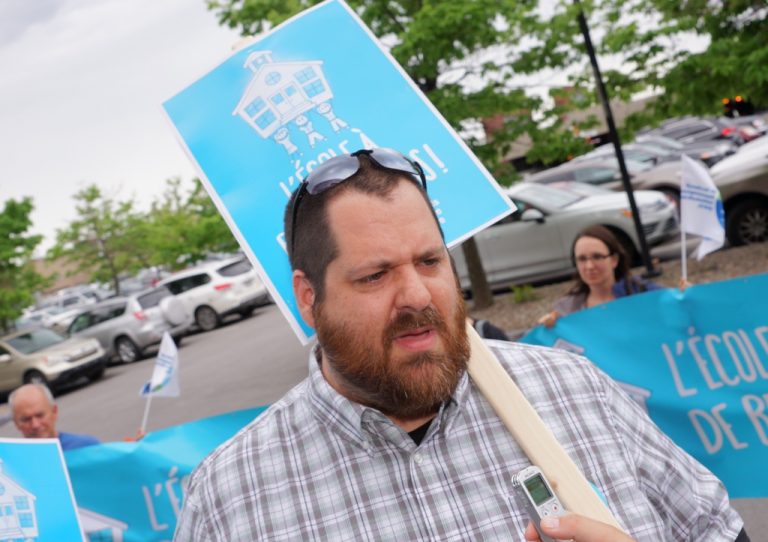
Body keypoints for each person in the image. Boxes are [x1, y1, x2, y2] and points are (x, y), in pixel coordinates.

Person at [174, 148, 747, 541]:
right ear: (308, 296)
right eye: (375, 275)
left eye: (430, 261)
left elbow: (716, 526)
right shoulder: (231, 495)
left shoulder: (575, 390)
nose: (417, 296)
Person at [538, 225, 661, 327]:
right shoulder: (568, 310)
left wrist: (679, 296)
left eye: (597, 257)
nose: (589, 266)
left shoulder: (642, 291)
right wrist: (549, 327)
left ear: (614, 260)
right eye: (582, 259)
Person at [10, 383, 100, 451]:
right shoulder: (8, 464)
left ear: (54, 412)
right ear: (16, 423)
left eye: (40, 415)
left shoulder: (87, 448)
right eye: (26, 419)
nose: (35, 425)